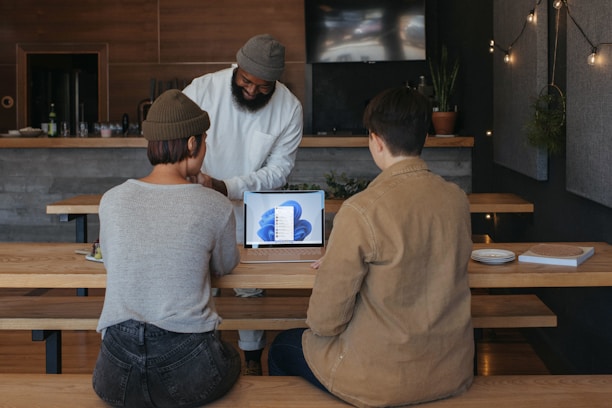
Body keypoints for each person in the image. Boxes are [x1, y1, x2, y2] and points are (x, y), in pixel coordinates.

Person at [268, 86, 474, 407]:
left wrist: (339, 264)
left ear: (375, 139)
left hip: (382, 381)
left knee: (282, 347)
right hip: (450, 369)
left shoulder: (362, 209)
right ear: (424, 137)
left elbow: (325, 321)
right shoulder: (456, 199)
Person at [92, 89, 241, 408]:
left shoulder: (112, 200)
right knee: (233, 358)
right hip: (188, 369)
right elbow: (225, 266)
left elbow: (114, 262)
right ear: (192, 143)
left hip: (115, 374)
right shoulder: (215, 204)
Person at [183, 33, 303, 375]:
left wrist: (225, 186)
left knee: (249, 289)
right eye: (246, 81)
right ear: (237, 67)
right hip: (195, 204)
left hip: (249, 210)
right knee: (198, 282)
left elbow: (279, 170)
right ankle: (201, 357)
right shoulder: (202, 89)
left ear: (276, 82)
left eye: (263, 87)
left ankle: (252, 359)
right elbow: (175, 138)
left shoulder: (289, 108)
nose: (252, 91)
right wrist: (195, 177)